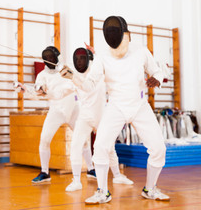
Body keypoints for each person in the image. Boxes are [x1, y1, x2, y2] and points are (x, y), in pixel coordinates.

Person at [61, 16, 169, 204]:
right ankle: (103, 191)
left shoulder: (141, 51)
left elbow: (157, 71)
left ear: (126, 34)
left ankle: (150, 188)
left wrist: (157, 79)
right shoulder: (102, 56)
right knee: (100, 147)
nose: (113, 36)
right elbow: (88, 85)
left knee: (158, 148)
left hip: (139, 105)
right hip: (116, 106)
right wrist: (73, 77)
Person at [15, 46, 97, 185]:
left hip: (73, 109)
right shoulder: (42, 75)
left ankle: (91, 169)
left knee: (84, 140)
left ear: (58, 57)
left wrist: (93, 56)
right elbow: (38, 94)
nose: (50, 60)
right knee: (44, 140)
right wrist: (26, 90)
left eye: (52, 57)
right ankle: (45, 172)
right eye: (47, 58)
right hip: (55, 111)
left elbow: (85, 77)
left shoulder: (69, 68)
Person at [64, 46, 133, 192]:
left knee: (109, 148)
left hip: (102, 116)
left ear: (89, 60)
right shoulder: (74, 77)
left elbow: (105, 64)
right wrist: (42, 91)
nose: (79, 61)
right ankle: (76, 180)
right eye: (77, 59)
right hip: (85, 117)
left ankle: (117, 175)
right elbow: (60, 92)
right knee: (76, 145)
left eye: (83, 58)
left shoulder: (98, 73)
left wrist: (96, 53)